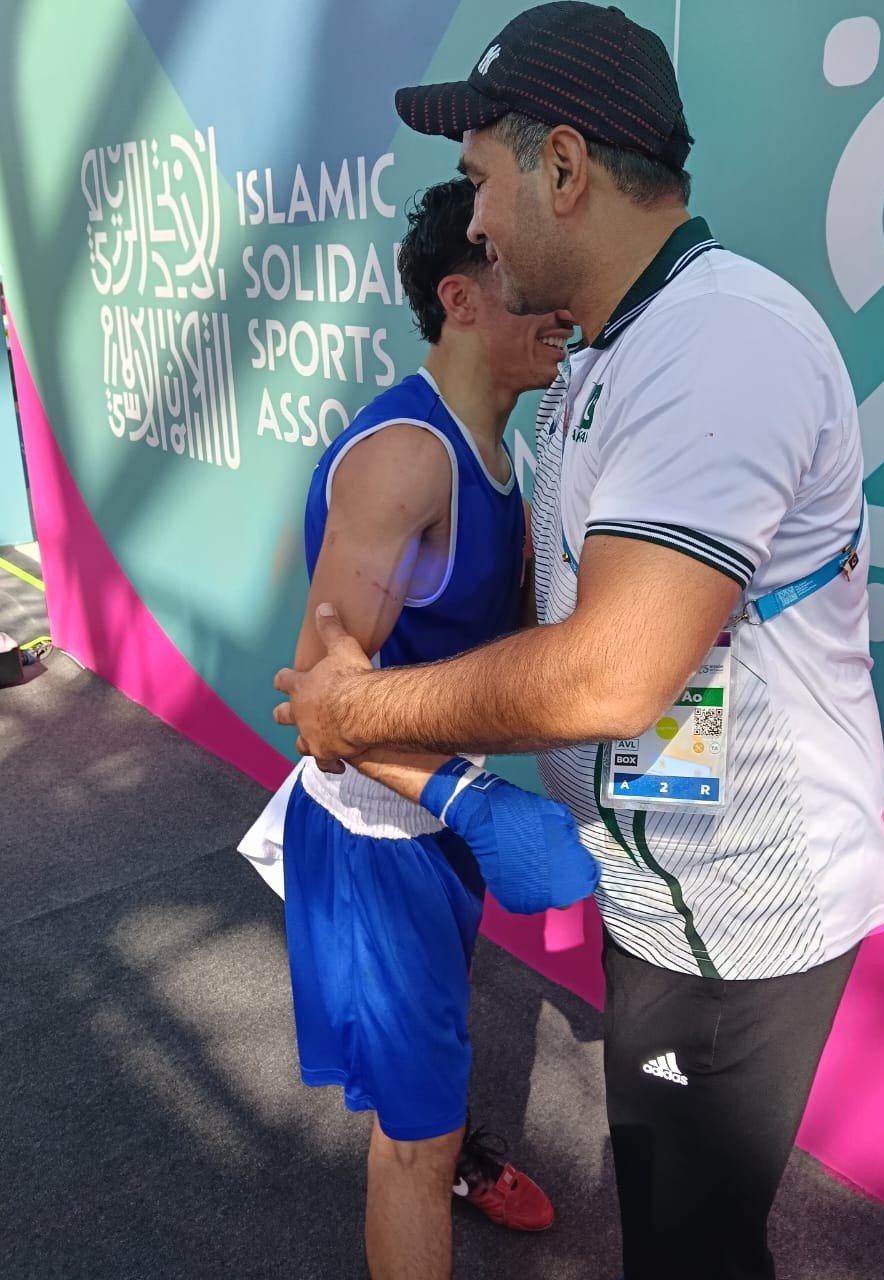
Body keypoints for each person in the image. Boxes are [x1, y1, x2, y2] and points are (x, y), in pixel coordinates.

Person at [272, 5, 884, 1279]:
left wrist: (372, 722)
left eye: (483, 182)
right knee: (659, 1215)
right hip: (662, 890)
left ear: (563, 167)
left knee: (689, 1241)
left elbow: (611, 670)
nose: (480, 225)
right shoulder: (620, 345)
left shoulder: (719, 343)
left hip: (737, 913)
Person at [246, 175, 599, 1280]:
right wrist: (466, 796)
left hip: (437, 816)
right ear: (460, 296)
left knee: (430, 1069)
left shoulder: (508, 444)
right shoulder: (409, 458)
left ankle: (442, 1139)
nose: (561, 304)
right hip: (377, 835)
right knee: (413, 1135)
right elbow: (318, 701)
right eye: (527, 280)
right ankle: (435, 1151)